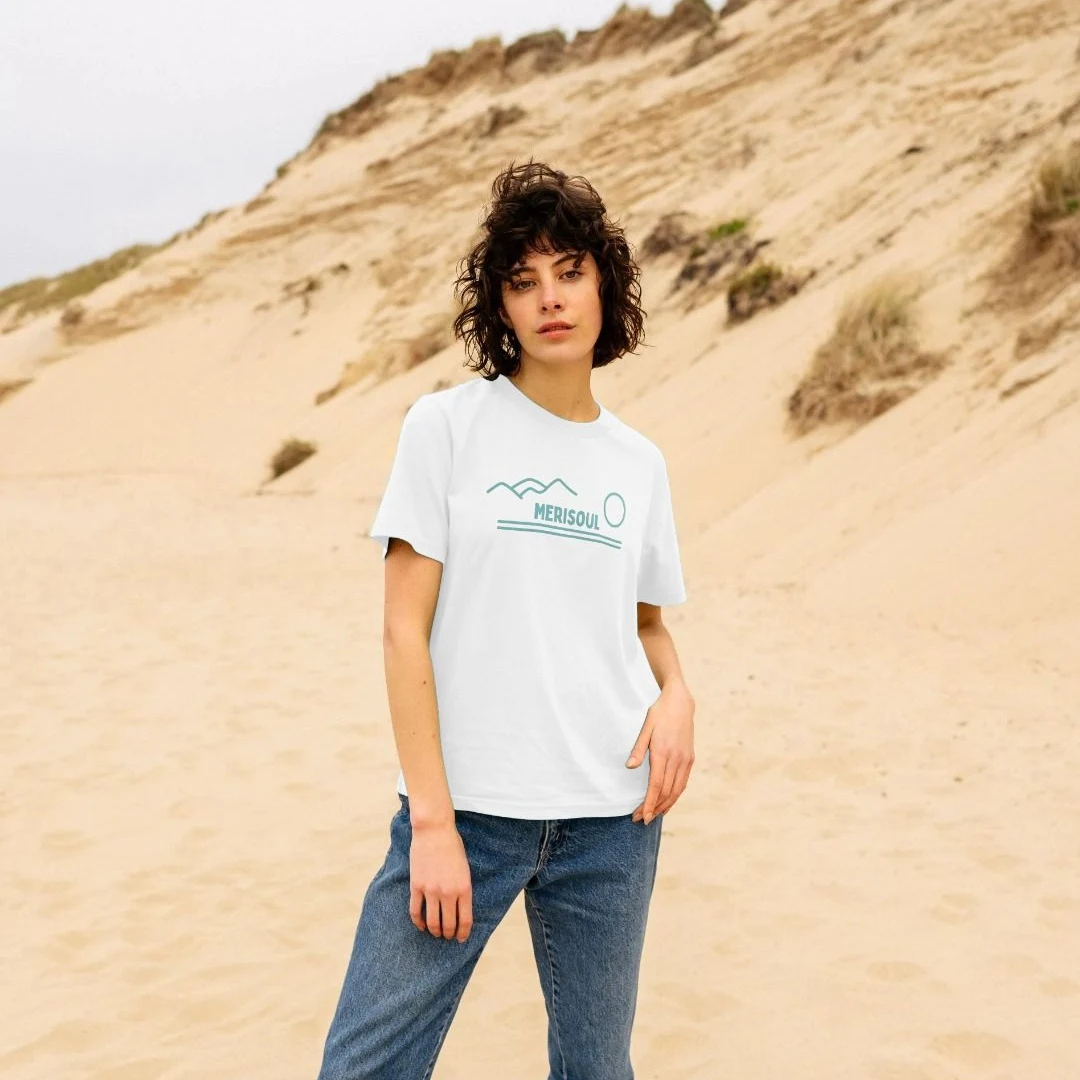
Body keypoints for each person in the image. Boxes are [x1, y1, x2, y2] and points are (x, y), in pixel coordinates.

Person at [316, 160, 695, 1080]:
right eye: (523, 281)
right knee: (365, 1066)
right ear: (501, 306)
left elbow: (643, 623)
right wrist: (433, 824)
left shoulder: (638, 463)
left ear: (605, 286)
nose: (549, 298)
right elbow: (402, 630)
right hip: (469, 814)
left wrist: (679, 695)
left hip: (612, 817)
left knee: (597, 1068)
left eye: (570, 272)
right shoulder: (446, 427)